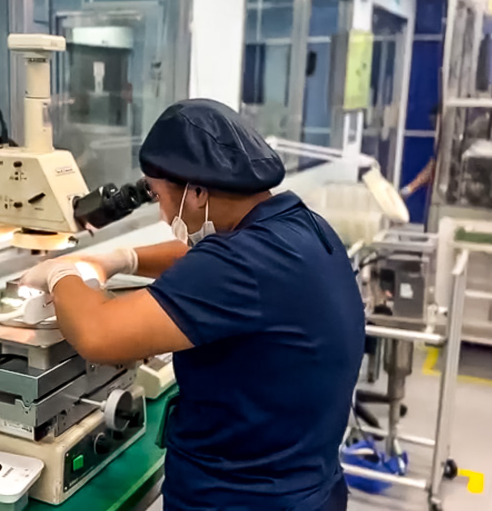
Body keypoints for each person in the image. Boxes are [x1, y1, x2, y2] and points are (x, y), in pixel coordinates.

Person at [21, 99, 365, 511]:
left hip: (242, 499)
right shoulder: (296, 227)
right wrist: (118, 259)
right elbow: (202, 259)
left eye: (161, 197)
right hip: (308, 484)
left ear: (198, 192)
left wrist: (62, 274)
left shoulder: (242, 264)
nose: (165, 213)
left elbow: (97, 335)